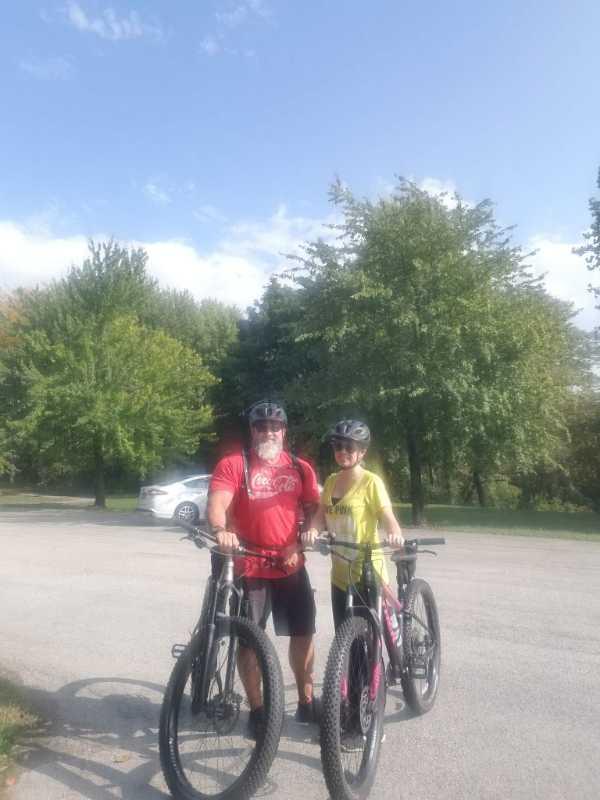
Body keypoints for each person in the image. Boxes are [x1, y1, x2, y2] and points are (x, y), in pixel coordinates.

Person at [207, 400, 321, 734]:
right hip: (250, 567)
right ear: (252, 431)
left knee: (303, 635)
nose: (268, 431)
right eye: (261, 426)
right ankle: (257, 710)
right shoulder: (234, 464)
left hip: (291, 564)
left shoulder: (301, 468)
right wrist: (220, 530)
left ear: (284, 431)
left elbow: (315, 510)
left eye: (275, 426)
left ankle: (306, 701)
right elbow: (217, 504)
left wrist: (301, 540)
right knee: (249, 642)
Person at [302, 419, 404, 630]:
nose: (343, 451)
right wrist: (312, 530)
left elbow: (387, 516)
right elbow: (322, 515)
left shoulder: (371, 482)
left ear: (362, 452)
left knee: (368, 643)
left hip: (367, 574)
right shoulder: (331, 481)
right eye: (338, 446)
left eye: (350, 447)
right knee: (345, 641)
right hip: (339, 575)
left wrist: (394, 534)